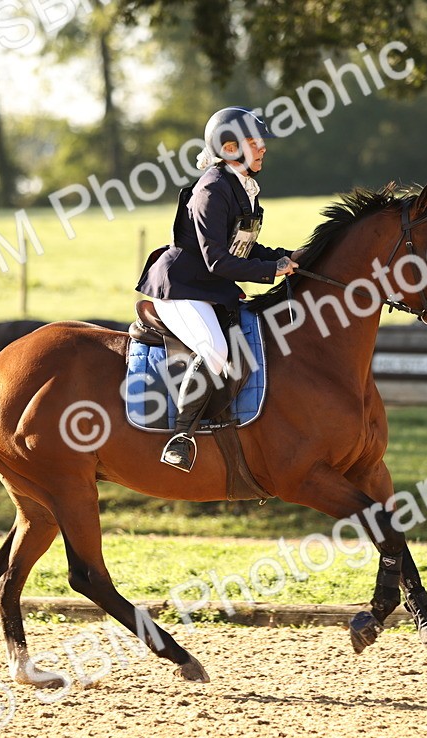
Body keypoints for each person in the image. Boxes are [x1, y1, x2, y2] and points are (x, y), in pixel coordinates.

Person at [136, 107, 303, 472]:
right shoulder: (212, 188)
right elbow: (217, 260)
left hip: (209, 289)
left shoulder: (241, 187)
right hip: (180, 288)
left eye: (262, 144)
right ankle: (181, 438)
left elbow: (244, 247)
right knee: (214, 350)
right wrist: (272, 270)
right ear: (229, 149)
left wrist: (287, 256)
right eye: (254, 143)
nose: (263, 149)